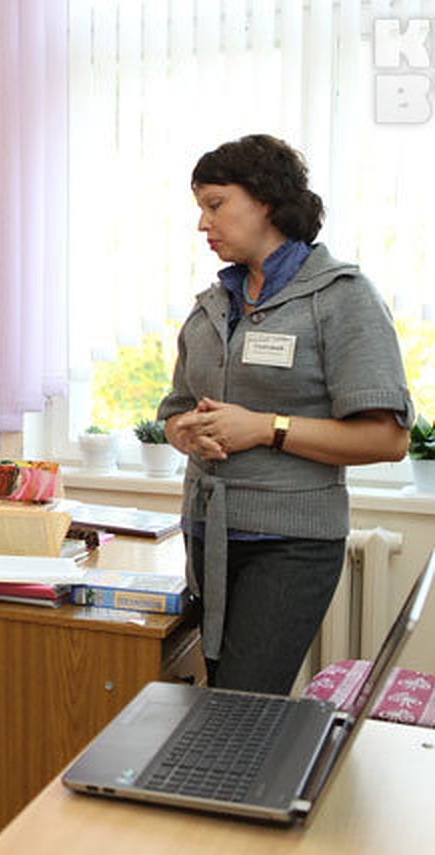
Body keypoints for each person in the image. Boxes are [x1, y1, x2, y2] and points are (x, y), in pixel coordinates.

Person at [159, 134, 412, 695]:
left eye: (216, 204)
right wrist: (186, 432)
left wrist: (265, 428)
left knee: (242, 705)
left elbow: (388, 439)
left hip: (289, 542)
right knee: (220, 699)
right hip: (209, 533)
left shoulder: (342, 298)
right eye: (200, 208)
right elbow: (175, 411)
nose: (203, 224)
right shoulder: (212, 305)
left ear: (267, 200)